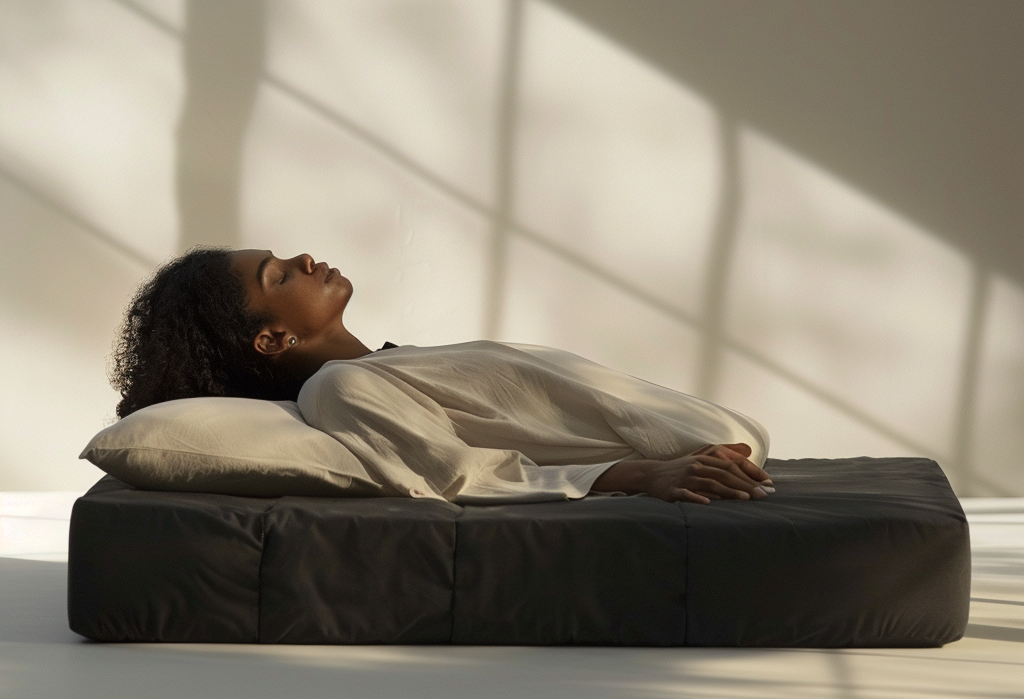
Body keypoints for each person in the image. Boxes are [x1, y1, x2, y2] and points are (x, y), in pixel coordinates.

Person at [111, 246, 774, 505]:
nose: (305, 258)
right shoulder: (339, 388)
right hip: (697, 465)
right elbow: (464, 475)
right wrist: (649, 476)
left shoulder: (394, 361)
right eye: (279, 275)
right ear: (273, 338)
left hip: (719, 448)